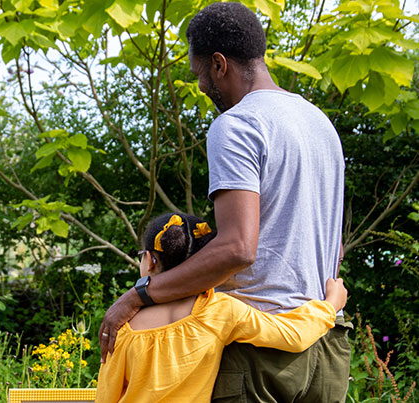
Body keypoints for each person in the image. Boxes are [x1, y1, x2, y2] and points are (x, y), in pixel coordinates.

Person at [98, 2, 350, 402]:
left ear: (219, 64)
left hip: (259, 354)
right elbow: (332, 246)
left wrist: (140, 293)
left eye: (199, 73)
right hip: (327, 346)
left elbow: (237, 248)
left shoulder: (237, 124)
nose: (200, 86)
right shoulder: (320, 123)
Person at [95, 213, 347, 403]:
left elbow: (106, 397)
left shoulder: (122, 327)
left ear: (150, 261)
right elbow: (294, 336)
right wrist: (330, 305)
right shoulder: (218, 311)